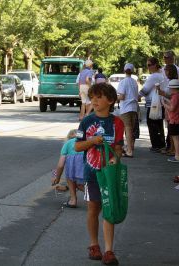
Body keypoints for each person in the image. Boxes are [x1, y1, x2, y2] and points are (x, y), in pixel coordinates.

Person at [75, 83, 124, 265]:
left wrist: (115, 159)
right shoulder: (87, 121)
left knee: (109, 210)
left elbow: (118, 148)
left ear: (110, 101)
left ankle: (109, 250)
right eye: (92, 97)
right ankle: (94, 245)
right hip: (91, 173)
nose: (94, 100)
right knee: (93, 209)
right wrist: (92, 140)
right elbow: (77, 146)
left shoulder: (117, 123)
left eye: (99, 97)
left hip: (109, 175)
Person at [139, 57, 167, 152]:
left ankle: (156, 145)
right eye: (147, 65)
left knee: (152, 123)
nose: (148, 67)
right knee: (159, 124)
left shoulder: (154, 76)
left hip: (153, 104)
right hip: (161, 102)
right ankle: (161, 143)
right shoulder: (161, 74)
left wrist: (136, 97)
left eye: (149, 65)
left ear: (155, 65)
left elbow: (145, 90)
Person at [51, 129, 84, 208]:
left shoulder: (68, 144)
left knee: (70, 178)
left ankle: (73, 200)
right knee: (82, 185)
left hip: (73, 170)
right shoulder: (85, 142)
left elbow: (60, 165)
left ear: (68, 137)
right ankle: (99, 198)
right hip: (87, 166)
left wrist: (57, 178)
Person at [117, 63, 139, 158]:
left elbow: (122, 96)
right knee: (131, 129)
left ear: (124, 70)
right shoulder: (135, 82)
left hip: (125, 108)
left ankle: (129, 150)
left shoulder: (123, 82)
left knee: (127, 129)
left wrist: (114, 98)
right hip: (134, 108)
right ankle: (129, 147)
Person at [162, 79, 179, 163]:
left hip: (174, 120)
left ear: (173, 88)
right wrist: (168, 102)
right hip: (176, 120)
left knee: (175, 138)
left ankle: (177, 156)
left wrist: (165, 105)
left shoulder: (175, 96)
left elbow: (172, 108)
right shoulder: (177, 96)